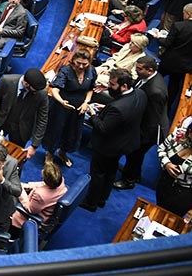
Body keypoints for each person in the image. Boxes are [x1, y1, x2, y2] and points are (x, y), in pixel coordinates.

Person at [80, 68, 147, 211]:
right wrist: (107, 108)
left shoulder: (117, 108)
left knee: (98, 174)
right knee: (111, 171)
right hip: (124, 142)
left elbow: (103, 128)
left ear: (124, 86)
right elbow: (126, 113)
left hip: (108, 146)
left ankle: (91, 203)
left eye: (112, 85)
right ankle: (102, 199)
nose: (109, 87)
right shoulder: (140, 94)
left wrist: (93, 115)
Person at [114, 56, 169, 190]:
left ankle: (129, 180)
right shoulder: (146, 77)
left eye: (139, 69)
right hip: (145, 123)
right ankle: (135, 174)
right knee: (135, 154)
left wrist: (140, 137)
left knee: (134, 153)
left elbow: (152, 118)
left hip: (150, 130)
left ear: (150, 70)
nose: (136, 70)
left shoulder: (156, 91)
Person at [44, 50, 96, 168]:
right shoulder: (65, 70)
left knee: (72, 132)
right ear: (73, 61)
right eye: (78, 63)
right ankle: (50, 154)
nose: (81, 66)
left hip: (79, 108)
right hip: (61, 107)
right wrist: (62, 101)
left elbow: (91, 89)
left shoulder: (91, 71)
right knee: (56, 130)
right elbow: (55, 89)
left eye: (85, 64)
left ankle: (63, 152)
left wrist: (86, 103)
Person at [0, 69, 49, 159]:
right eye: (34, 90)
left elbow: (42, 120)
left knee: (15, 157)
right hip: (2, 122)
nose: (36, 92)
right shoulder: (6, 81)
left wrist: (34, 145)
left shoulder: (42, 93)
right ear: (26, 83)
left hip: (21, 130)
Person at [10, 161, 67, 234]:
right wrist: (28, 186)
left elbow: (30, 209)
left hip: (34, 217)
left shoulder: (41, 195)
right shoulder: (60, 180)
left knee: (7, 198)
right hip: (46, 205)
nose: (42, 171)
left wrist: (20, 191)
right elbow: (43, 184)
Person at [157, 3, 192, 103]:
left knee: (158, 76)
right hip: (185, 65)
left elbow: (167, 43)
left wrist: (159, 38)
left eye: (184, 13)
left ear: (188, 14)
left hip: (169, 61)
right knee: (174, 85)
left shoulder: (178, 26)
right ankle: (168, 105)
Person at [156, 121, 192, 216]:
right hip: (164, 184)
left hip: (183, 195)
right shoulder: (177, 135)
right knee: (157, 212)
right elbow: (161, 148)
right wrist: (167, 164)